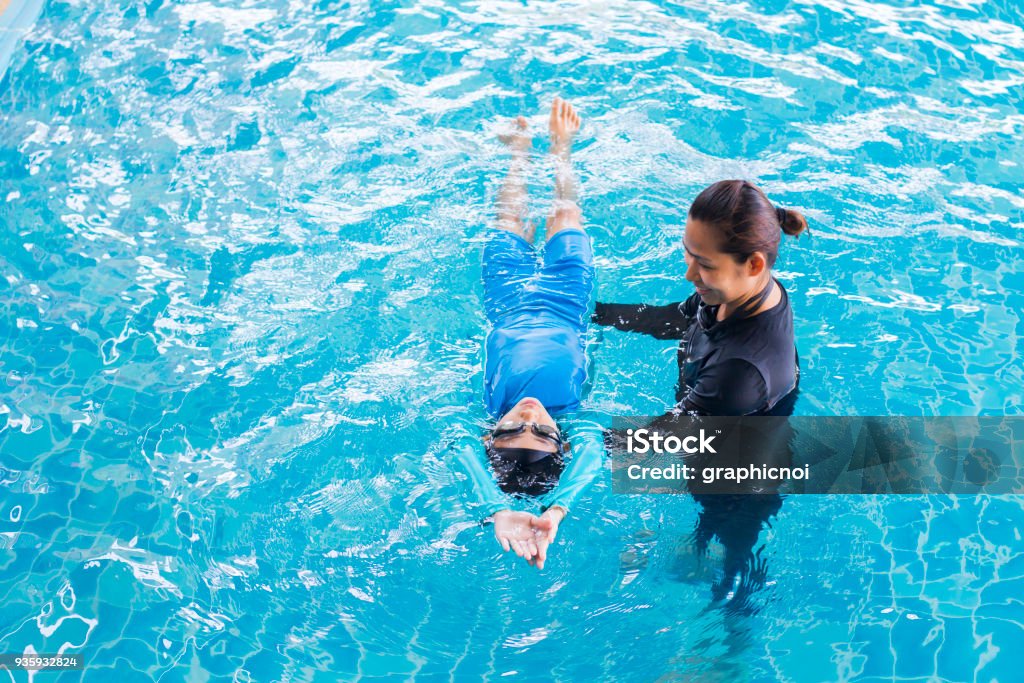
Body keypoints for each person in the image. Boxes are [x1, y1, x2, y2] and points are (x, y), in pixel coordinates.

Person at [593, 179, 807, 601]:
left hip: (741, 483)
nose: (689, 274)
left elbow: (653, 439)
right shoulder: (738, 293)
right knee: (700, 542)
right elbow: (672, 320)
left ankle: (729, 652)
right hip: (719, 435)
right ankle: (701, 547)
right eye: (688, 256)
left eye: (704, 265)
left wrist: (561, 446)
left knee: (734, 568)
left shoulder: (741, 372)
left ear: (754, 264)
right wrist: (591, 313)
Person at [454, 97, 604, 571]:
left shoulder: (482, 418)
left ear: (489, 436)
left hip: (505, 302)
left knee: (508, 221)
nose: (529, 415)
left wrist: (496, 507)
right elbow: (594, 456)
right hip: (567, 301)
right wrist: (558, 506)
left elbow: (464, 454)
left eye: (514, 428)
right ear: (563, 441)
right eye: (541, 431)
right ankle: (562, 149)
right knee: (565, 214)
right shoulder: (574, 418)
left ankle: (518, 153)